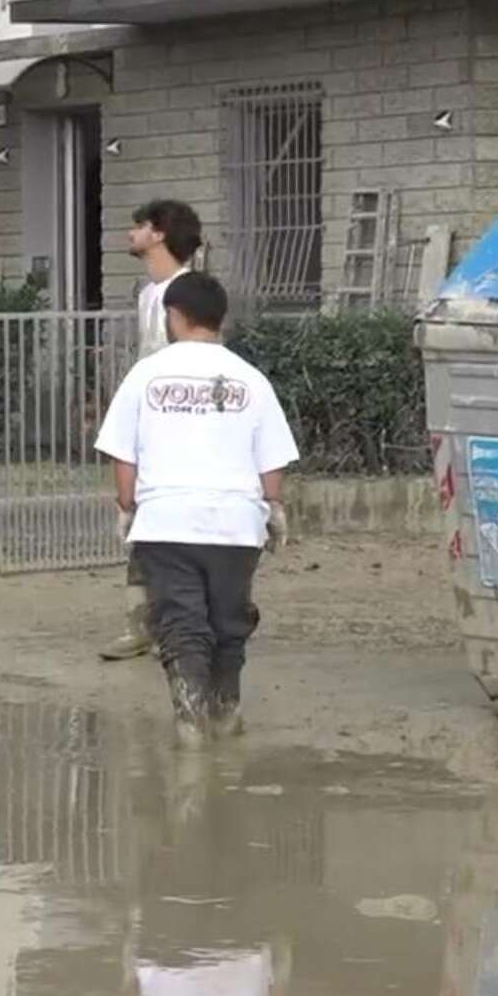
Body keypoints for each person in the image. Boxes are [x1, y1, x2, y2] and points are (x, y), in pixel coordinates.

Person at [94, 273, 296, 745]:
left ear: (174, 316)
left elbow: (124, 454)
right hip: (236, 527)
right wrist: (274, 506)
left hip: (165, 523)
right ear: (220, 318)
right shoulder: (251, 379)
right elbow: (272, 461)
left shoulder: (145, 375)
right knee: (228, 620)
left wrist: (127, 506)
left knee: (181, 622)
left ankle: (190, 721)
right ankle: (226, 710)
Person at [101, 199, 202, 663]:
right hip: (150, 421)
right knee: (143, 521)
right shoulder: (149, 294)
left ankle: (173, 623)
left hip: (180, 427)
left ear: (158, 233)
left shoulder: (187, 292)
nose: (131, 233)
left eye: (138, 225)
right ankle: (142, 621)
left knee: (171, 525)